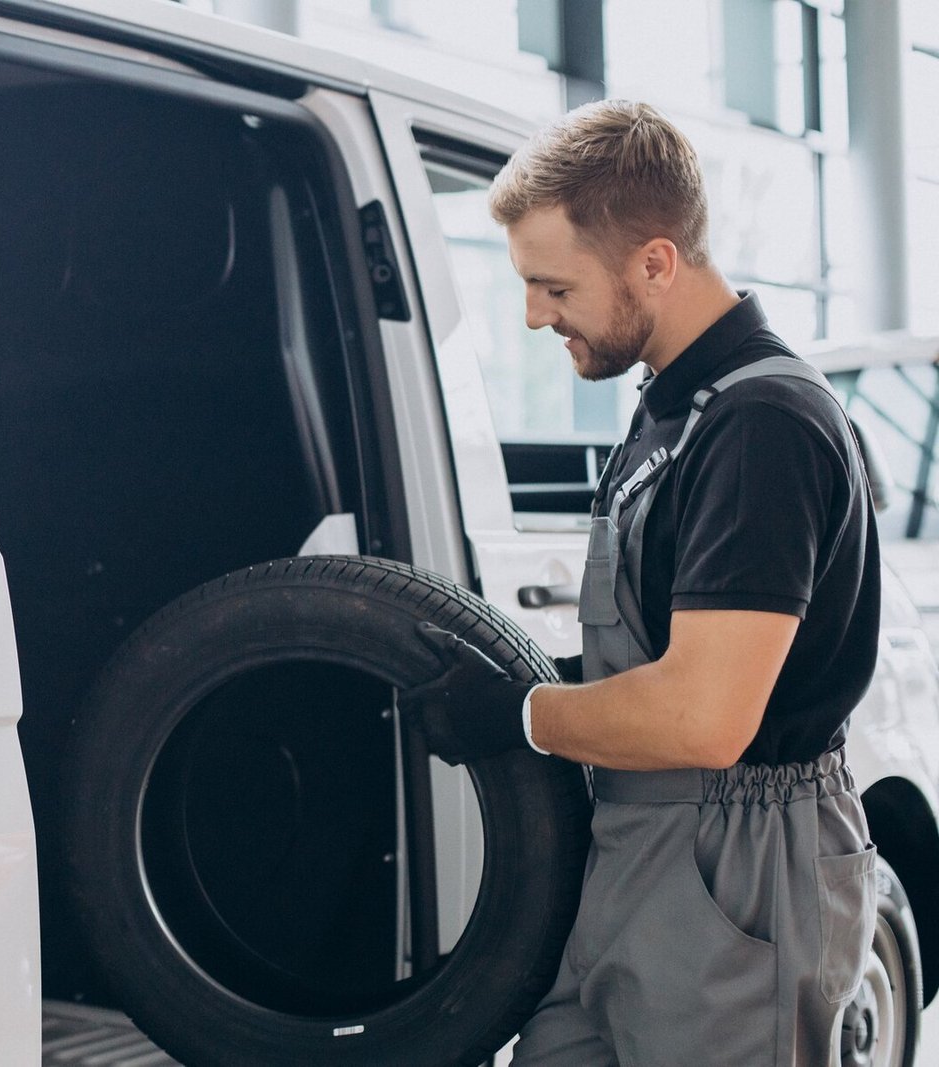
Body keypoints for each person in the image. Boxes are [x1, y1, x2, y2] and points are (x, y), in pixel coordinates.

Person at [402, 100, 881, 1065]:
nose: (534, 314)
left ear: (655, 263)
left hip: (740, 867)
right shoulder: (675, 408)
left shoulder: (765, 427)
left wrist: (525, 714)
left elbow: (704, 716)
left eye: (552, 285)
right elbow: (666, 642)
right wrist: (535, 670)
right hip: (638, 851)